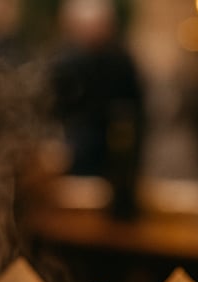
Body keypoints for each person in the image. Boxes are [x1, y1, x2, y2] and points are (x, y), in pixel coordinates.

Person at [49, 0, 146, 219]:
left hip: (112, 163)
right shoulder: (64, 62)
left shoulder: (120, 63)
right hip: (72, 162)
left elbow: (134, 115)